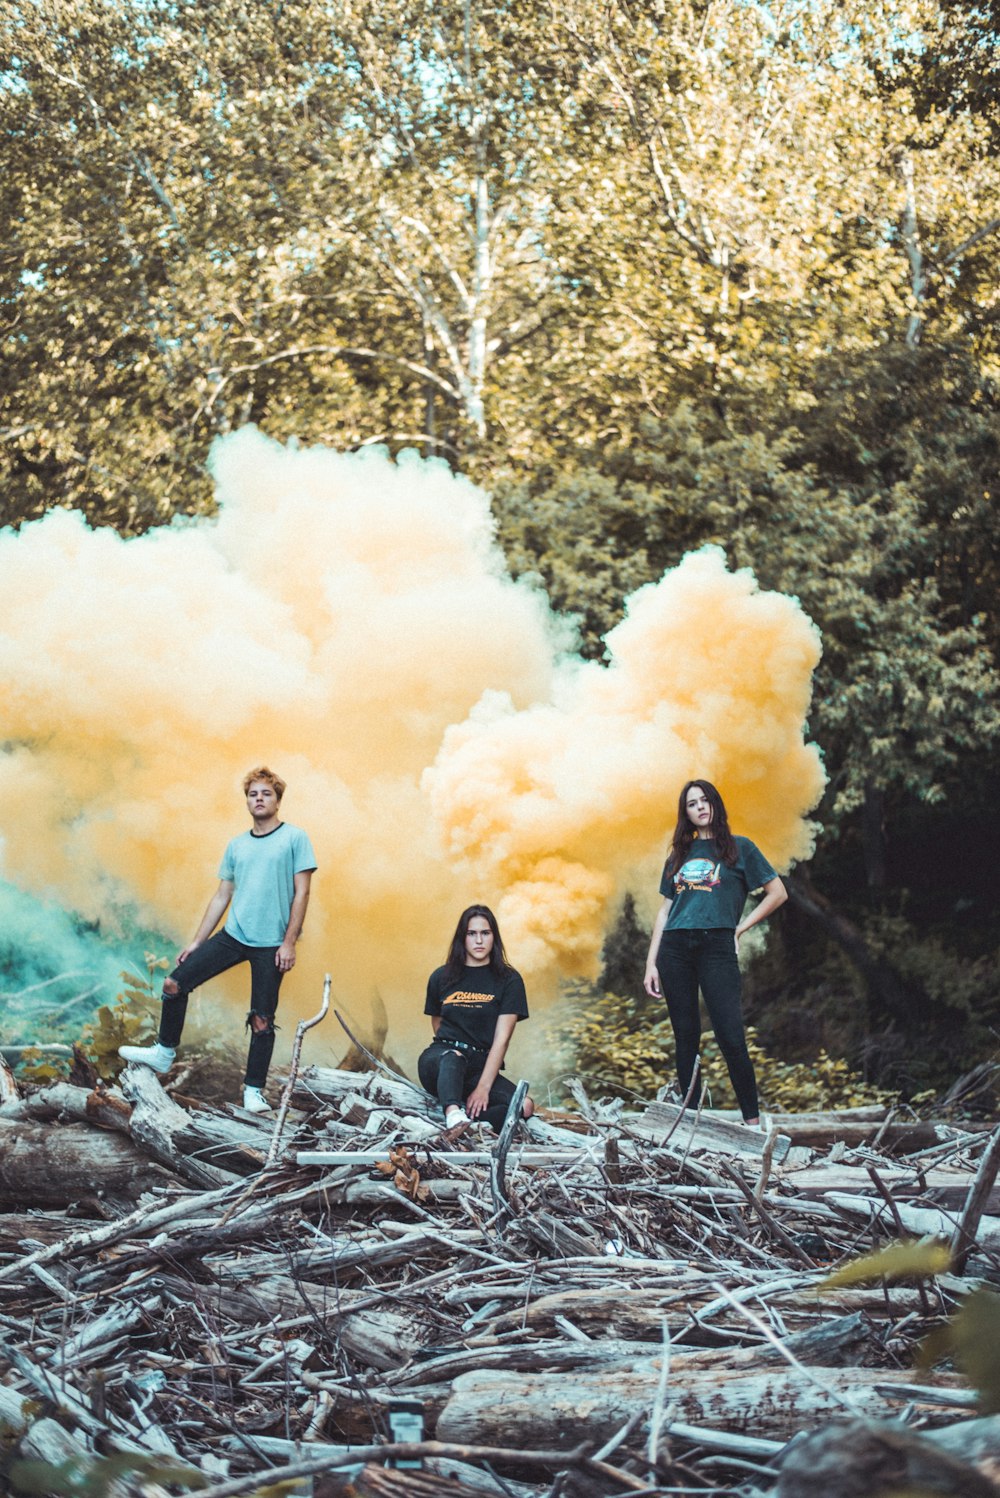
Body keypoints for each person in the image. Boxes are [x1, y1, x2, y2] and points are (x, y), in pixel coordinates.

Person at [119, 767, 317, 1113]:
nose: (259, 798)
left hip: (271, 943)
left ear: (278, 799)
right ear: (247, 801)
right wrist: (198, 941)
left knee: (262, 1020)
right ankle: (164, 1052)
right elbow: (222, 895)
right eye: (253, 794)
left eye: (266, 793)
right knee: (173, 984)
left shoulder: (294, 839)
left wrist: (289, 942)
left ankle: (253, 1091)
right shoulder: (237, 845)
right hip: (233, 935)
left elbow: (302, 894)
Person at [643, 779, 786, 1127]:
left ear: (716, 805)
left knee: (730, 1034)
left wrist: (740, 928)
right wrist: (651, 963)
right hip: (675, 948)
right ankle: (689, 1124)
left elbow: (777, 893)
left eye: (705, 800)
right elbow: (665, 911)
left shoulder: (740, 849)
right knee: (685, 1036)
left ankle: (751, 1122)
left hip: (716, 946)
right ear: (686, 814)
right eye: (692, 804)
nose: (700, 807)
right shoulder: (678, 855)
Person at [418, 904, 535, 1131]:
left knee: (525, 1106)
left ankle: (477, 1124)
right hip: (441, 1060)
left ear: (494, 937)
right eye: (471, 934)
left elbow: (502, 1039)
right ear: (462, 938)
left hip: (480, 1067)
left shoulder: (509, 980)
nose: (479, 941)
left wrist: (483, 1087)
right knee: (453, 1056)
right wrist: (455, 1050)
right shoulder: (441, 977)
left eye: (485, 933)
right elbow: (437, 1022)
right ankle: (453, 1115)